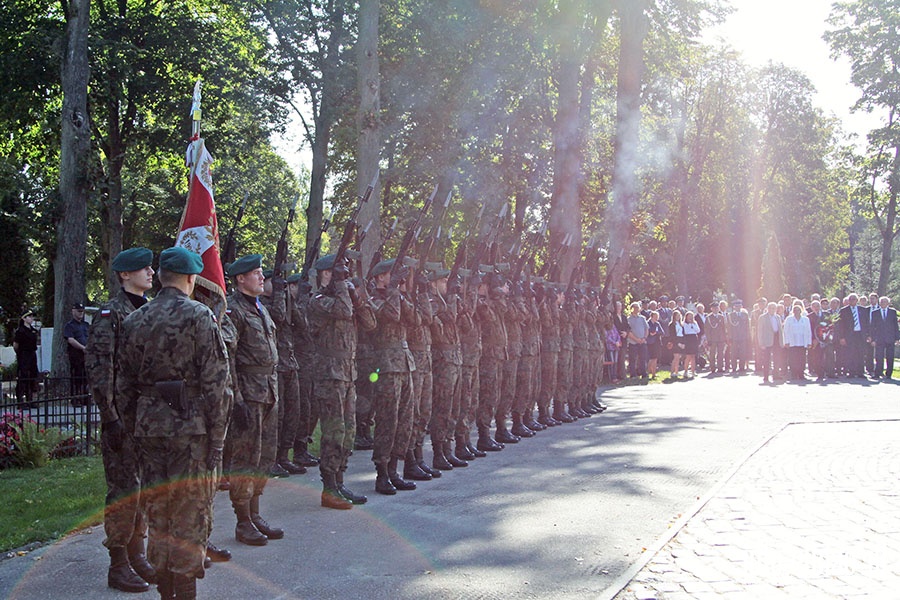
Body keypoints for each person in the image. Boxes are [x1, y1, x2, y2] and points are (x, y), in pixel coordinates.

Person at [116, 246, 230, 599]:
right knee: (190, 515)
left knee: (158, 511)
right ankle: (184, 591)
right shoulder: (200, 316)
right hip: (191, 429)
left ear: (162, 277)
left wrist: (136, 427)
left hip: (150, 429)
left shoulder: (135, 319)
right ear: (191, 278)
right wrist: (218, 438)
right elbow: (217, 383)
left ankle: (166, 592)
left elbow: (123, 386)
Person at [85, 247, 156, 593]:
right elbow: (100, 368)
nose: (150, 272)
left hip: (149, 417)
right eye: (142, 268)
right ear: (124, 275)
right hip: (123, 418)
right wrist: (109, 417)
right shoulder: (110, 313)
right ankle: (118, 563)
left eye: (150, 267)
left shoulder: (151, 310)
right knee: (124, 491)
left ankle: (137, 553)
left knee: (143, 489)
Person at [308, 254, 377, 509]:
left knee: (348, 430)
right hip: (329, 375)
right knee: (333, 432)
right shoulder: (318, 301)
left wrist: (357, 295)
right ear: (324, 274)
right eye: (336, 273)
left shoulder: (345, 297)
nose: (342, 277)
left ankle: (339, 481)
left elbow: (370, 323)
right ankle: (328, 488)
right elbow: (343, 310)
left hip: (348, 374)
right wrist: (340, 287)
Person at [225, 254, 284, 546]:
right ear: (240, 279)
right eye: (257, 273)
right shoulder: (233, 310)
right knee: (246, 458)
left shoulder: (260, 308)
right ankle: (242, 521)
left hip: (268, 389)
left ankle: (255, 512)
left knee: (264, 456)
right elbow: (229, 359)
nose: (263, 278)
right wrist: (236, 400)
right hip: (248, 392)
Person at [368, 258, 419, 494]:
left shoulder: (397, 296)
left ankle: (395, 470)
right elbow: (391, 315)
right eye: (391, 275)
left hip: (405, 364)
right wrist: (393, 293)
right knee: (388, 420)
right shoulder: (374, 299)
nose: (396, 279)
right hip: (386, 366)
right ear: (380, 278)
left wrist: (400, 292)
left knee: (404, 419)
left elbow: (416, 320)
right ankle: (382, 474)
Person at [837, 293, 869, 378]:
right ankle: (851, 372)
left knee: (860, 353)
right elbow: (841, 325)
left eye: (854, 299)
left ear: (857, 300)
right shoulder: (844, 310)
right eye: (850, 299)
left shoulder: (863, 309)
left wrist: (868, 335)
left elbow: (867, 323)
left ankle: (860, 372)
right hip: (850, 335)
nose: (852, 301)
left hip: (860, 334)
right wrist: (842, 337)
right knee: (850, 353)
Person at [868, 296, 899, 379]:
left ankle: (888, 374)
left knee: (890, 356)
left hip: (890, 338)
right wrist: (873, 339)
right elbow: (872, 327)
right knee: (879, 356)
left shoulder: (892, 312)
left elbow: (895, 326)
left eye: (885, 302)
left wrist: (897, 338)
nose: (883, 303)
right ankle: (878, 373)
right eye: (881, 302)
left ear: (888, 303)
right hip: (879, 338)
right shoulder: (875, 312)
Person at [63, 302, 90, 399]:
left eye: (82, 311)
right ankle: (75, 398)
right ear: (73, 311)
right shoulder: (70, 326)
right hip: (76, 356)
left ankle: (85, 397)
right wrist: (83, 348)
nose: (81, 313)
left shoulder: (86, 325)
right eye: (78, 311)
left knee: (86, 377)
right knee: (76, 377)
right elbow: (70, 339)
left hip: (86, 356)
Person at [13, 310, 39, 408]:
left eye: (32, 316)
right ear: (24, 318)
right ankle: (20, 401)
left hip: (32, 354)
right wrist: (20, 354)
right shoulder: (20, 331)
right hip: (24, 354)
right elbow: (16, 345)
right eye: (29, 316)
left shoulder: (33, 330)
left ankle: (30, 400)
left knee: (32, 376)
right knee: (23, 377)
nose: (31, 318)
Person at [782, 302, 812, 381]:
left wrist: (809, 342)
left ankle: (801, 374)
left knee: (802, 359)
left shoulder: (805, 319)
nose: (797, 312)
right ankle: (794, 374)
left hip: (802, 342)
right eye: (795, 310)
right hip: (792, 342)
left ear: (801, 311)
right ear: (793, 311)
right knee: (793, 359)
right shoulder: (789, 319)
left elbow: (809, 331)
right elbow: (785, 331)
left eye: (798, 310)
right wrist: (786, 342)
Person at [757, 302, 782, 384]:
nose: (772, 310)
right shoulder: (762, 317)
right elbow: (760, 331)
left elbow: (780, 330)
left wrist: (782, 341)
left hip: (776, 338)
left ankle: (776, 374)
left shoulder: (778, 317)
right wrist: (761, 343)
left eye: (774, 308)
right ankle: (766, 376)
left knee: (777, 358)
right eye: (771, 308)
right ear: (767, 308)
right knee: (766, 359)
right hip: (767, 340)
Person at [626, 302, 648, 378]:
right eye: (634, 307)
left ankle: (643, 373)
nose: (636, 309)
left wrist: (644, 338)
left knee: (643, 358)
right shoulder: (628, 319)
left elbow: (646, 329)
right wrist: (636, 339)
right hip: (633, 342)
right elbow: (628, 331)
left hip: (642, 341)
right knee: (632, 359)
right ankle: (633, 374)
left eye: (637, 307)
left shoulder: (642, 318)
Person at [681, 311, 701, 378]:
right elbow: (686, 331)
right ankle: (686, 371)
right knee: (688, 356)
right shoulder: (684, 324)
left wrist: (693, 324)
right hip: (688, 339)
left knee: (693, 356)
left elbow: (698, 330)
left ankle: (693, 371)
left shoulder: (695, 323)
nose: (690, 318)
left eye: (691, 316)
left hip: (694, 339)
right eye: (689, 316)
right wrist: (690, 325)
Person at [667, 310, 685, 379]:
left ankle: (676, 372)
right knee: (676, 357)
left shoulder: (681, 324)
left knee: (679, 358)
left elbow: (683, 334)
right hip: (675, 341)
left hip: (681, 339)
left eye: (679, 315)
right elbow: (672, 335)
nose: (678, 317)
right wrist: (678, 343)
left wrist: (683, 343)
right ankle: (672, 372)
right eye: (676, 316)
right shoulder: (672, 324)